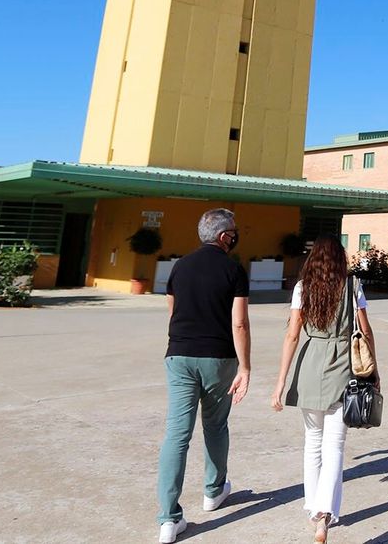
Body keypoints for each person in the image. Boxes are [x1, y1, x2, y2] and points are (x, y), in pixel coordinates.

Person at [271, 235, 378, 542]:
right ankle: (324, 517)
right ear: (340, 259)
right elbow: (366, 331)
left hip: (309, 366)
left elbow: (292, 336)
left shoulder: (302, 288)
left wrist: (281, 381)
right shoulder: (352, 285)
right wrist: (374, 371)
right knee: (335, 447)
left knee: (312, 443)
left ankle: (313, 508)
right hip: (343, 368)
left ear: (313, 259)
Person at [156, 209, 251, 543]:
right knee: (215, 425)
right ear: (225, 236)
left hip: (179, 355)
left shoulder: (179, 266)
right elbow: (238, 322)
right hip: (218, 358)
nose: (237, 236)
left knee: (177, 434)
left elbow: (172, 310)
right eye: (235, 232)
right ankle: (213, 491)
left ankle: (168, 519)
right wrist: (245, 366)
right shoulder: (233, 269)